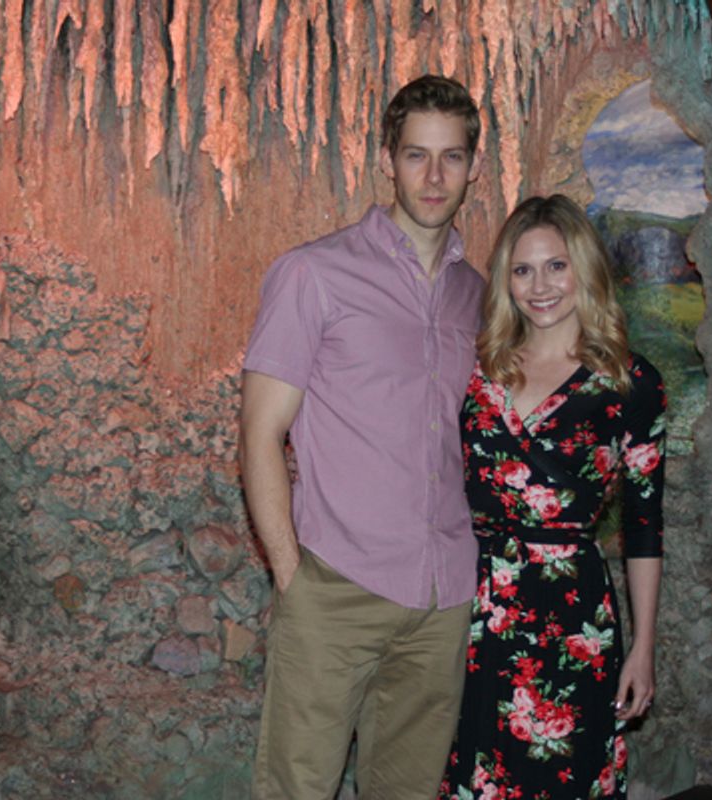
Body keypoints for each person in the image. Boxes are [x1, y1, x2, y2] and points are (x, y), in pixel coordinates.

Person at [240, 75, 484, 799]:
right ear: (387, 159)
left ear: (474, 165)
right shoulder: (314, 274)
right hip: (335, 586)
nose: (434, 177)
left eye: (452, 157)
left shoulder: (480, 293)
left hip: (444, 596)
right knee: (297, 787)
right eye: (416, 156)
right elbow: (259, 434)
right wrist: (292, 577)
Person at [440, 195, 665, 800]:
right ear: (504, 281)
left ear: (584, 269)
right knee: (471, 773)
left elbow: (645, 524)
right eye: (522, 270)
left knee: (565, 776)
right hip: (473, 609)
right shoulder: (476, 370)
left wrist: (643, 647)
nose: (540, 286)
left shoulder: (630, 383)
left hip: (573, 617)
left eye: (556, 266)